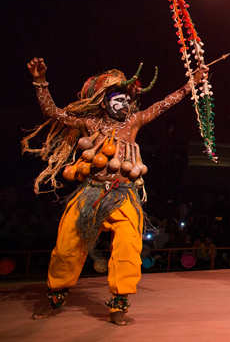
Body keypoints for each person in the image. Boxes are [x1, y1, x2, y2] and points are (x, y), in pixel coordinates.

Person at [24, 57, 207, 325]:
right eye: (117, 100)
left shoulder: (132, 123)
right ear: (103, 102)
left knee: (127, 248)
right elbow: (53, 113)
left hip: (123, 195)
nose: (124, 105)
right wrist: (40, 82)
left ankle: (119, 304)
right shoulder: (90, 124)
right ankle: (55, 296)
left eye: (127, 101)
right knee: (67, 247)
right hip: (90, 192)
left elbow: (164, 104)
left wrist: (191, 84)